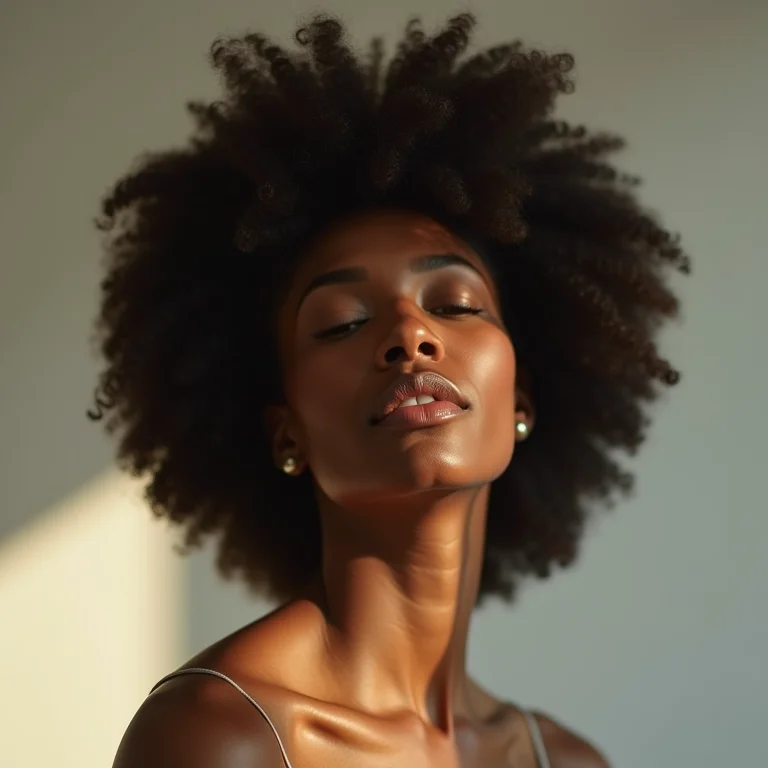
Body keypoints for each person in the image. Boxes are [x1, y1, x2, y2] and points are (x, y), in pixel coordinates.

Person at [90, 11, 688, 768]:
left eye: (456, 305)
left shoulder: (561, 760)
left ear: (524, 400)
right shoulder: (223, 735)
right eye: (341, 322)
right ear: (286, 433)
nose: (410, 334)